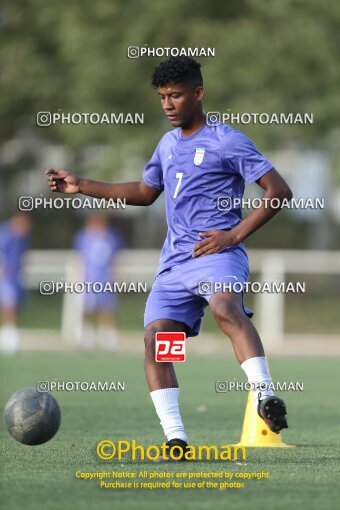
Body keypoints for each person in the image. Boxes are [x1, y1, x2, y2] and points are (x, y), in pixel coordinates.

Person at [46, 56, 293, 460]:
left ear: (198, 94)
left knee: (225, 308)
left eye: (175, 95)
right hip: (174, 266)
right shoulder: (166, 144)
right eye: (162, 97)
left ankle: (265, 395)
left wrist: (233, 234)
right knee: (158, 338)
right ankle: (177, 441)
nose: (167, 104)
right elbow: (145, 194)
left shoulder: (226, 141)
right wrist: (82, 184)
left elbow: (279, 192)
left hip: (217, 255)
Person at [73, 214, 123, 351]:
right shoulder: (83, 236)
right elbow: (78, 258)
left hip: (106, 279)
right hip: (88, 279)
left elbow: (117, 258)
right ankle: (88, 337)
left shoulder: (112, 236)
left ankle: (107, 338)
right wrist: (79, 277)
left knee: (107, 308)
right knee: (87, 309)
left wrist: (117, 275)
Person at [0, 213, 32, 354]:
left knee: (14, 305)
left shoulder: (22, 237)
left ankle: (10, 334)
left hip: (15, 276)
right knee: (9, 305)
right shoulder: (5, 234)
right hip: (5, 277)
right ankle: (9, 337)